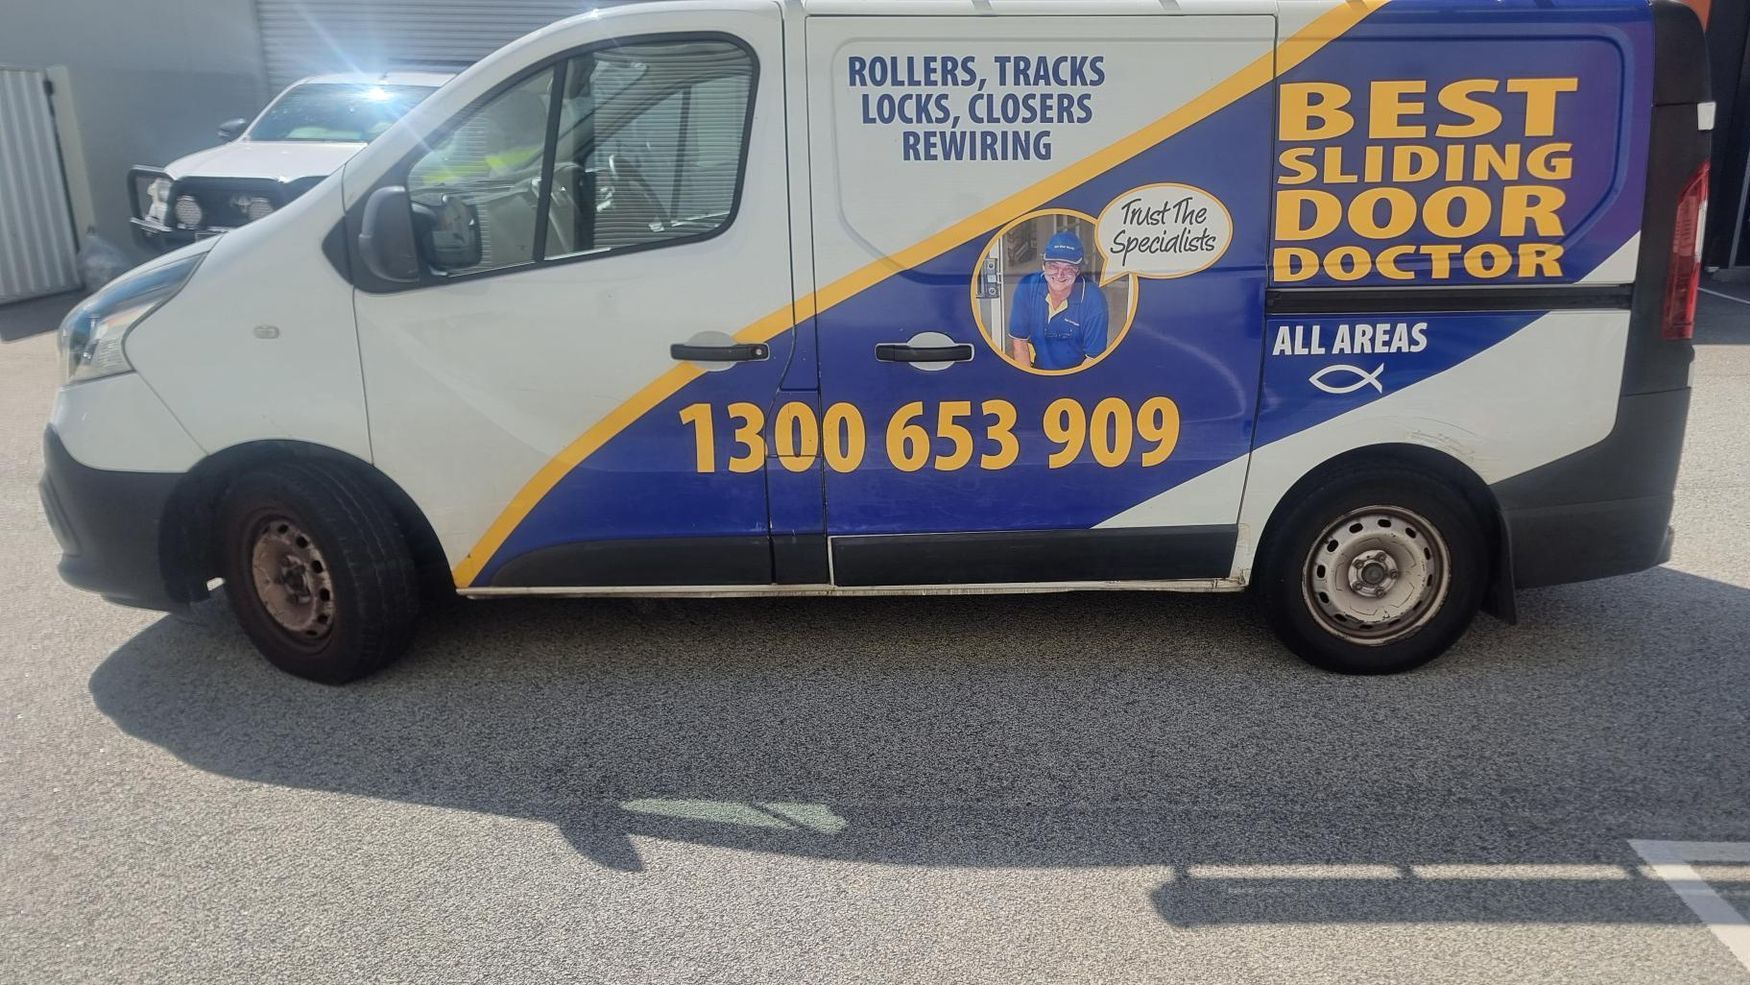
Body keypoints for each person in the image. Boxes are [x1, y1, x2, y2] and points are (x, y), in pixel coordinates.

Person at [1007, 230, 1110, 371]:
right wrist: (1029, 382)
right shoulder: (1027, 287)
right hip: (1039, 372)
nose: (1060, 274)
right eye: (1053, 266)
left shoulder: (1094, 300)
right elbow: (1019, 341)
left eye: (1068, 268)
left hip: (1078, 375)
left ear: (1078, 271)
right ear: (1043, 265)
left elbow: (1093, 358)